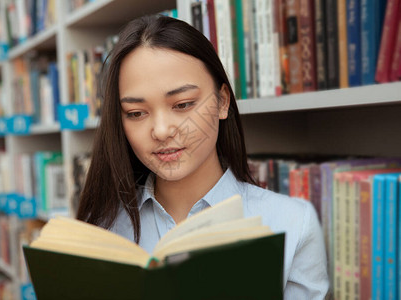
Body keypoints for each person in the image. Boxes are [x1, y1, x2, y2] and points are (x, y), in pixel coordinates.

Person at [77, 14, 329, 299]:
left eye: (183, 104)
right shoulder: (102, 228)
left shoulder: (292, 223)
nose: (161, 131)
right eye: (136, 113)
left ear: (222, 101)